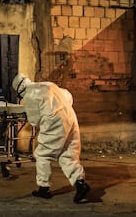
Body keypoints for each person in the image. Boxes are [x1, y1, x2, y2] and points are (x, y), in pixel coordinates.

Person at [12, 73, 90, 203]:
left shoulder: (29, 95)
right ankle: (80, 183)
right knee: (67, 154)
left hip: (54, 122)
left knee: (42, 155)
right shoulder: (48, 84)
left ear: (20, 91)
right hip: (70, 118)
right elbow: (68, 96)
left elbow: (35, 121)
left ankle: (43, 188)